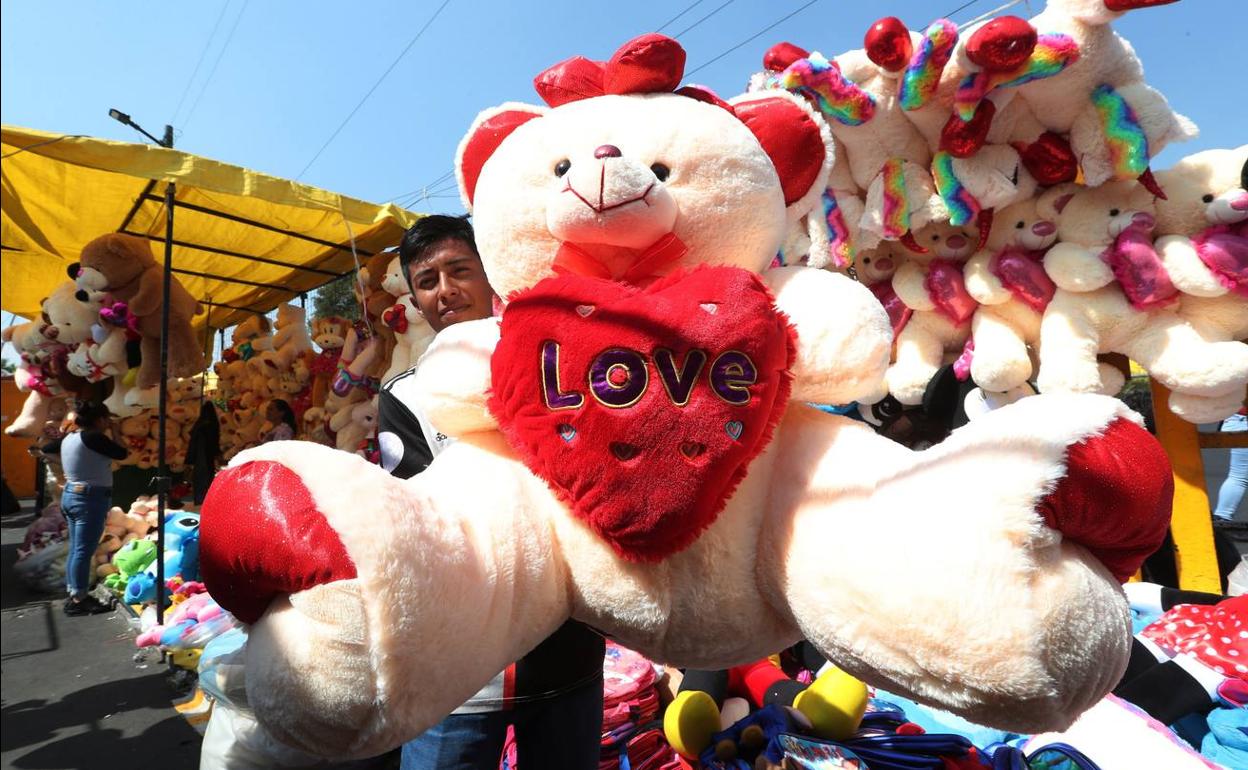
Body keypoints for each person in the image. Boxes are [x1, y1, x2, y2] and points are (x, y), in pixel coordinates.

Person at [378, 215, 606, 770]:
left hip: (567, 656)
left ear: (490, 274)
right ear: (414, 299)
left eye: (460, 271)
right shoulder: (405, 397)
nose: (446, 291)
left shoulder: (558, 366)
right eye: (427, 281)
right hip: (458, 675)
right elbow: (413, 519)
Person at [40, 402, 126, 616]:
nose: (107, 423)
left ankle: (74, 593)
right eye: (106, 419)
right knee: (83, 551)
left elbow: (46, 448)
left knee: (77, 549)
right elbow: (122, 453)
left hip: (72, 495)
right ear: (99, 420)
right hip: (88, 499)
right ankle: (79, 599)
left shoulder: (70, 438)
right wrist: (115, 431)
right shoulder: (94, 438)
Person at [1213, 407, 1247, 523]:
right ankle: (1222, 516)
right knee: (1239, 477)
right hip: (1243, 422)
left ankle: (1222, 516)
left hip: (1235, 420)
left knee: (1237, 476)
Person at [186, 401, 221, 504]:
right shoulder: (212, 424)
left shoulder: (200, 424)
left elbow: (192, 435)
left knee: (200, 478)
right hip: (207, 456)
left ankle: (200, 498)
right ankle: (206, 499)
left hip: (199, 456)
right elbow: (214, 440)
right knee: (207, 477)